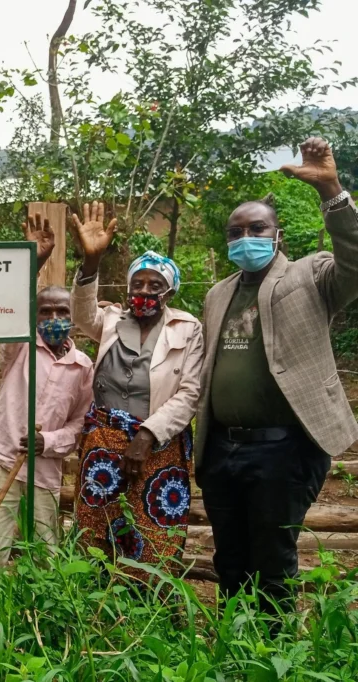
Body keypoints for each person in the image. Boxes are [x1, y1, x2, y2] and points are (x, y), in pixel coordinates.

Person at [195, 137, 358, 615]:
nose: (245, 237)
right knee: (229, 556)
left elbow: (355, 260)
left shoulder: (312, 276)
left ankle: (274, 645)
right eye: (235, 231)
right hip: (222, 448)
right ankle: (233, 640)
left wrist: (331, 190)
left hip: (285, 448)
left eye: (256, 228)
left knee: (272, 558)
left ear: (277, 234)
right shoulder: (218, 294)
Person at [70, 203, 203, 568]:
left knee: (154, 529)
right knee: (96, 528)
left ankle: (148, 596)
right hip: (103, 440)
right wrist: (91, 262)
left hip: (158, 446)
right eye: (138, 284)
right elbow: (81, 314)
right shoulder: (111, 320)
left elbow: (190, 392)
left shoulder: (187, 328)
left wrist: (147, 435)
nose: (144, 290)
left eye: (155, 285)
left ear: (170, 292)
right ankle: (93, 594)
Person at [0, 214, 93, 568]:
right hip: (0, 459)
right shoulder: (19, 345)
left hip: (44, 470)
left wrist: (48, 441)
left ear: (72, 317)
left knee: (46, 555)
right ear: (34, 317)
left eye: (62, 311)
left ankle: (38, 606)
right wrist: (35, 261)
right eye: (45, 312)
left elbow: (80, 424)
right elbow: (11, 305)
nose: (54, 318)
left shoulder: (83, 367)